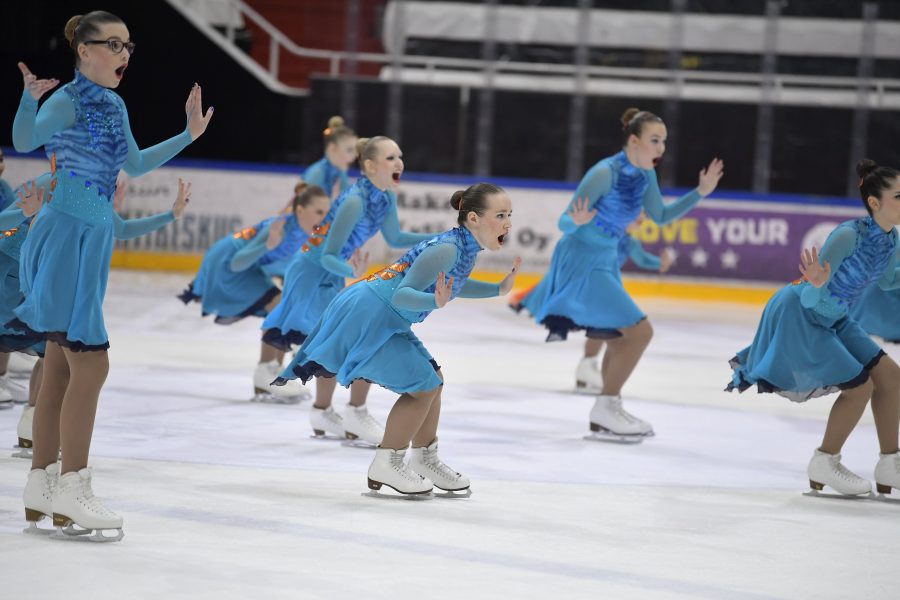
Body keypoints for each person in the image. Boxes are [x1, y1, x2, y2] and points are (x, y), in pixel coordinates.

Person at [12, 10, 212, 541]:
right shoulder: (68, 100)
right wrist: (29, 98)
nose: (124, 55)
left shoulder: (115, 102)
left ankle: (42, 484)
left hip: (92, 237)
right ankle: (74, 487)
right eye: (113, 45)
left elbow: (137, 165)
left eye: (128, 46)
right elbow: (27, 139)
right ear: (84, 50)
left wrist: (187, 135)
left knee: (60, 365)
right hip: (66, 235)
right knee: (91, 365)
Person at [276, 183, 520, 496]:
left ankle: (424, 459)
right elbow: (405, 296)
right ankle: (387, 463)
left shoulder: (463, 247)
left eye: (509, 215)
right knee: (423, 386)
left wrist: (497, 289)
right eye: (500, 215)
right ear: (473, 218)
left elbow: (452, 285)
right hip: (369, 314)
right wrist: (435, 302)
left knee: (434, 379)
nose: (508, 223)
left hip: (382, 313)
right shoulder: (448, 249)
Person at [527, 108, 722, 441]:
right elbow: (564, 222)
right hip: (582, 256)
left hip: (605, 259)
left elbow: (659, 215)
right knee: (640, 332)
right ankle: (606, 407)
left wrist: (699, 193)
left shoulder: (645, 174)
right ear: (634, 140)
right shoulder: (604, 172)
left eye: (664, 142)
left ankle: (608, 409)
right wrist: (579, 220)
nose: (661, 149)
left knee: (620, 335)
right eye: (654, 141)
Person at [727, 159, 900, 499]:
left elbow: (888, 280)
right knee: (859, 387)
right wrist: (818, 282)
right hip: (800, 312)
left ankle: (890, 463)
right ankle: (825, 461)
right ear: (875, 203)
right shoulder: (848, 235)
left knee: (891, 377)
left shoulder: (891, 239)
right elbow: (807, 297)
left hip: (835, 315)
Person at [262, 136, 433, 445]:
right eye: (391, 158)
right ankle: (336, 409)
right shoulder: (355, 201)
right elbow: (327, 254)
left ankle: (332, 410)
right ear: (369, 166)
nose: (399, 163)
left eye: (400, 156)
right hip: (312, 270)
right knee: (340, 338)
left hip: (337, 269)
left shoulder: (387, 196)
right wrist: (351, 271)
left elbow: (393, 237)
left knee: (345, 338)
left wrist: (436, 239)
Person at [178, 183, 331, 401]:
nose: (324, 218)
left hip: (247, 268)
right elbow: (237, 263)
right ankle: (265, 371)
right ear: (299, 210)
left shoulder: (304, 234)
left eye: (327, 213)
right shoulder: (279, 228)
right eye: (319, 212)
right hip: (224, 265)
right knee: (278, 304)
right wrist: (267, 244)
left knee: (283, 306)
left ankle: (273, 377)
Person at [511, 211, 674, 394]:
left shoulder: (629, 242)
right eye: (639, 212)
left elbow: (642, 259)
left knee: (607, 326)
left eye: (645, 215)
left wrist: (660, 263)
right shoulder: (604, 231)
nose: (642, 219)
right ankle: (590, 368)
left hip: (600, 285)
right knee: (607, 325)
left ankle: (588, 367)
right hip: (581, 281)